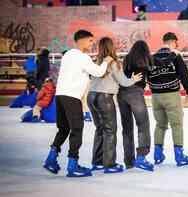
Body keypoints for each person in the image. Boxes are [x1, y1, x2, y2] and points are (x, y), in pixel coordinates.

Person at [43, 29, 113, 177]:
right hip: (72, 97)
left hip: (60, 96)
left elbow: (81, 73)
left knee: (63, 129)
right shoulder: (83, 57)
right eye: (90, 41)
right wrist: (106, 61)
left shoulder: (68, 55)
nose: (92, 43)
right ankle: (72, 165)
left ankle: (51, 158)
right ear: (81, 40)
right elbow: (99, 72)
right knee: (77, 129)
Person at [88, 37, 142, 174]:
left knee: (100, 129)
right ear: (112, 47)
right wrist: (134, 79)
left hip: (91, 96)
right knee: (110, 130)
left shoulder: (97, 62)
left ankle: (97, 162)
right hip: (104, 98)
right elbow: (123, 81)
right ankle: (110, 164)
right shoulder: (112, 62)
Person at [148, 32, 188, 167]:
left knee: (160, 125)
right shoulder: (176, 56)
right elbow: (184, 74)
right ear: (173, 42)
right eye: (176, 43)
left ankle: (157, 154)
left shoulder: (152, 57)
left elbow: (147, 75)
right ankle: (179, 155)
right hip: (172, 95)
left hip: (155, 96)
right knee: (176, 125)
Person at [117, 40, 154, 171]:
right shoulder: (146, 59)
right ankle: (141, 157)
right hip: (135, 93)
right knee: (143, 125)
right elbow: (151, 76)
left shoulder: (127, 58)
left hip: (121, 93)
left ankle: (129, 161)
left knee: (127, 128)